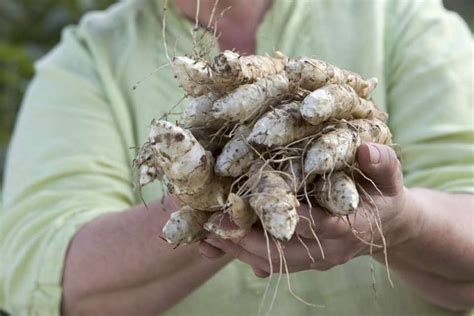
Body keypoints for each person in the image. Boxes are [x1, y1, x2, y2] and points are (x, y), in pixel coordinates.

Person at [0, 0, 472, 315]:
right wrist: (210, 193)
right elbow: (45, 269)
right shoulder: (87, 59)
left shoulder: (402, 18)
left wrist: (400, 221)